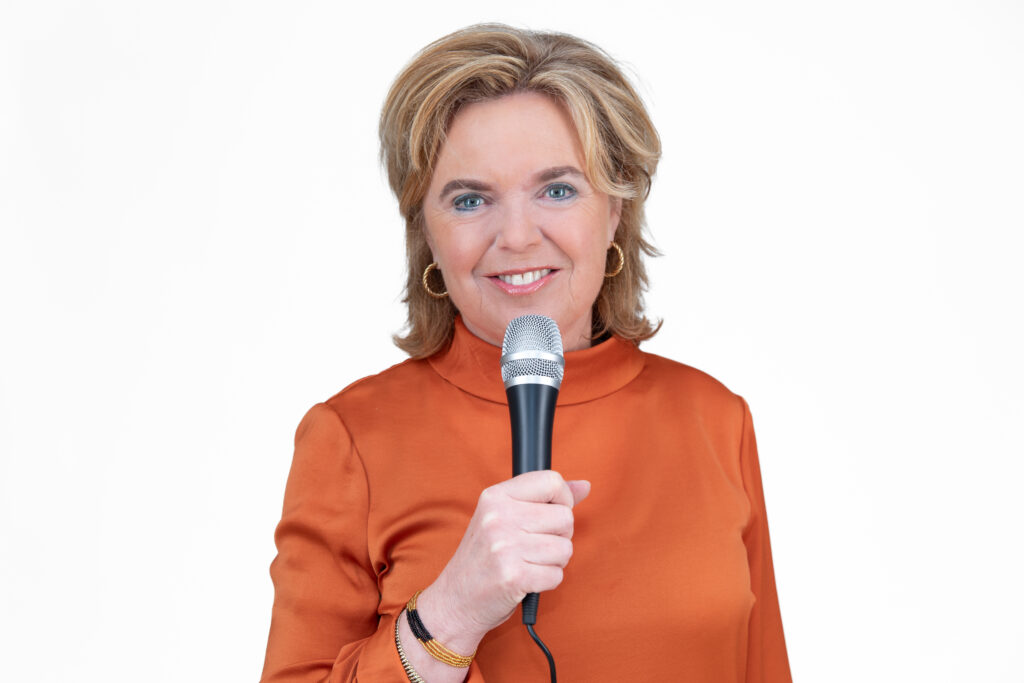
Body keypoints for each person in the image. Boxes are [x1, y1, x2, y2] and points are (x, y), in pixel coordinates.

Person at [260, 24, 792, 683]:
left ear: (616, 209)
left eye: (557, 189)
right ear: (427, 233)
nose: (515, 236)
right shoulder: (352, 438)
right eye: (470, 199)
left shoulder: (716, 419)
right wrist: (452, 610)